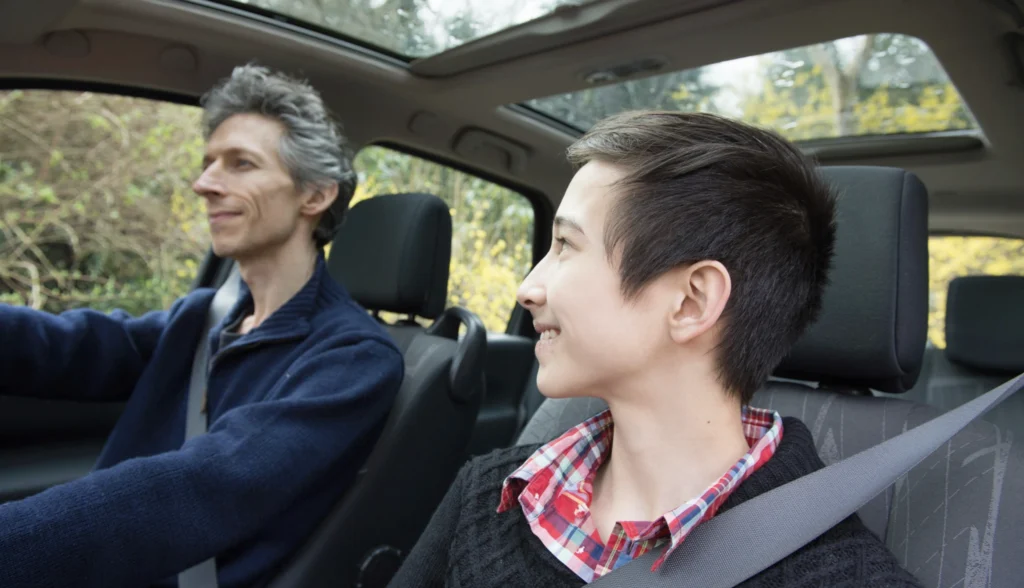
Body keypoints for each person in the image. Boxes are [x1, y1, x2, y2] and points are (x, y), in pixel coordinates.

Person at [388, 111, 923, 587]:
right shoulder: (490, 493)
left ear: (691, 301)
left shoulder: (840, 574)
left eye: (566, 246)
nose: (528, 287)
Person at [0, 65, 403, 588]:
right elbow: (68, 348)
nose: (204, 184)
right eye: (209, 163)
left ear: (315, 195)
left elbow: (201, 487)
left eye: (240, 164)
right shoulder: (203, 318)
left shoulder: (354, 359)